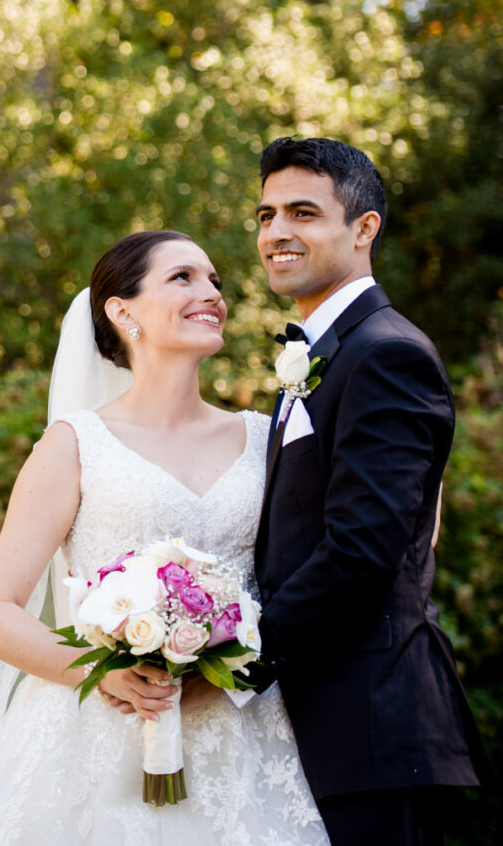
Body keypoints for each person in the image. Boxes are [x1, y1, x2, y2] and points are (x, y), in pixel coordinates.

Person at [0, 230, 327, 846]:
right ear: (122, 310)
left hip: (241, 729)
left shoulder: (263, 439)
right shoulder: (75, 445)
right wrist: (106, 673)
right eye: (183, 278)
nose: (211, 293)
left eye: (215, 281)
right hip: (96, 735)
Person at [251, 136, 486, 846]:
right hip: (323, 726)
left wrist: (236, 655)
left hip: (374, 725)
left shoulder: (385, 354)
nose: (275, 233)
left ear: (362, 228)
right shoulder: (325, 353)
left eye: (301, 212)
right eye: (264, 216)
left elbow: (361, 549)